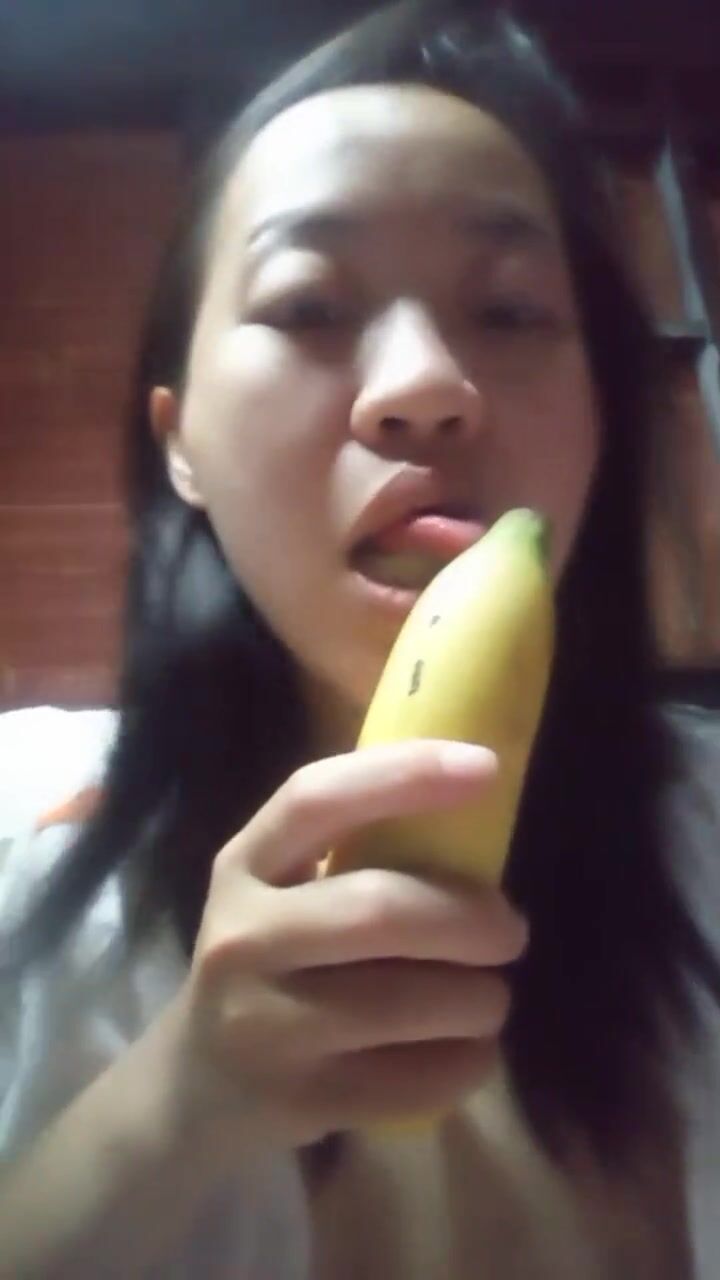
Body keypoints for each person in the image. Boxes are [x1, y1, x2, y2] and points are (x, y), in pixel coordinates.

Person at [1, 0, 719, 1274]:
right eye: (308, 304)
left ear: (601, 419)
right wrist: (174, 1106)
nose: (425, 387)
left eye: (511, 312)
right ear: (179, 441)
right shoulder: (22, 851)